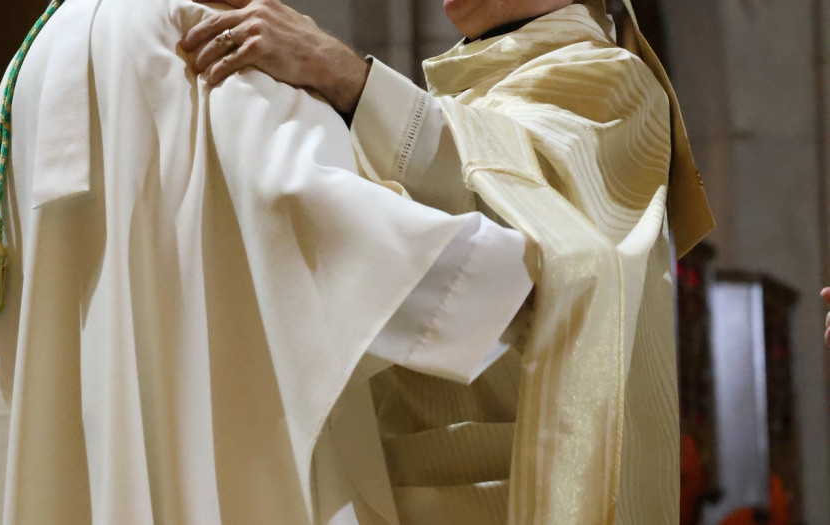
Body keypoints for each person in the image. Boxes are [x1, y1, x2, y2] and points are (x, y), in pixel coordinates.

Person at [0, 0, 536, 523]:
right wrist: (508, 280)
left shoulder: (36, 53)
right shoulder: (202, 35)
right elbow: (299, 200)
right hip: (212, 445)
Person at [180, 0, 715, 523]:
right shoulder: (453, 91)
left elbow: (517, 213)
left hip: (519, 478)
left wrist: (344, 74)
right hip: (396, 474)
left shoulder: (610, 79)